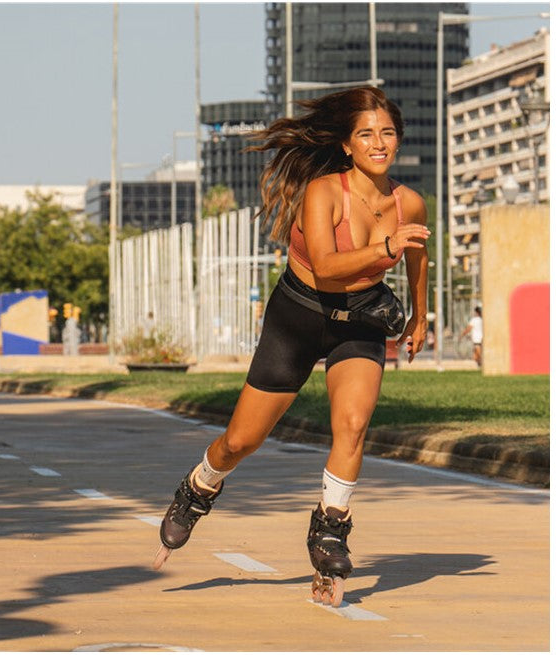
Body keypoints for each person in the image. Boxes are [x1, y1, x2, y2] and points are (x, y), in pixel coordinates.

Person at [153, 87, 430, 607]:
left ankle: (330, 532)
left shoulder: (407, 202)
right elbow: (326, 267)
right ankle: (199, 487)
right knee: (241, 440)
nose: (379, 142)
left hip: (360, 322)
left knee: (352, 424)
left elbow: (417, 254)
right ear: (347, 145)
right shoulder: (324, 192)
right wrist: (384, 247)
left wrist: (419, 314)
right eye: (366, 133)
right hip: (298, 317)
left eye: (387, 133)